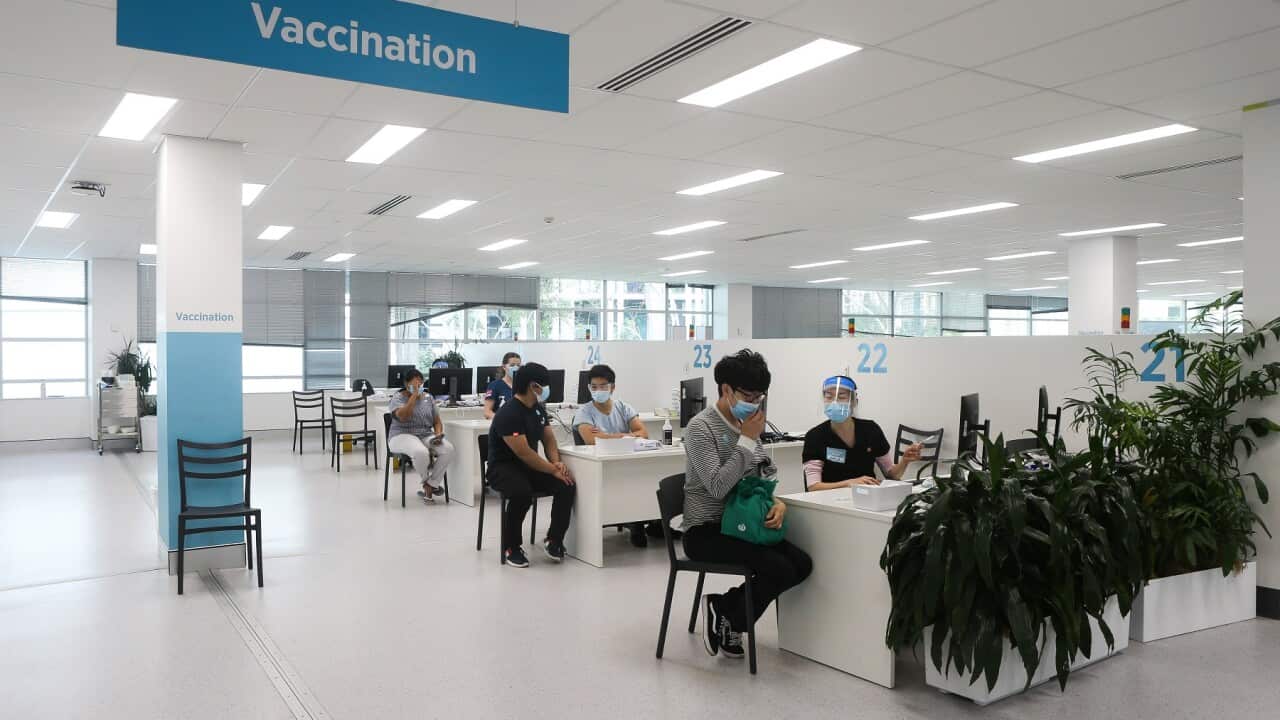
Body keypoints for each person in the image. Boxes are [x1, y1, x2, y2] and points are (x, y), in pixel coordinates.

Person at [681, 349, 812, 659]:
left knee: (801, 565)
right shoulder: (701, 428)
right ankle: (729, 615)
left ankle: (725, 609)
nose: (754, 403)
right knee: (777, 569)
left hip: (745, 526)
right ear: (726, 389)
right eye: (748, 395)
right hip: (707, 530)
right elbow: (716, 487)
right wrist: (747, 440)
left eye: (760, 396)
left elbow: (766, 471)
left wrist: (777, 501)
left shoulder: (750, 424)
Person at [486, 362, 576, 568]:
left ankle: (554, 540)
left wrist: (557, 463)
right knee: (521, 493)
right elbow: (524, 452)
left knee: (566, 485)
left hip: (529, 467)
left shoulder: (537, 408)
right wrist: (552, 469)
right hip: (503, 468)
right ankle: (511, 547)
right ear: (533, 386)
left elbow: (549, 439)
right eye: (544, 385)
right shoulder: (508, 413)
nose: (547, 390)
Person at [572, 364, 656, 548]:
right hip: (598, 468)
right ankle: (635, 523)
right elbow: (591, 441)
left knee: (645, 476)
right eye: (594, 387)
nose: (598, 390)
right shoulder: (584, 412)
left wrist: (607, 436)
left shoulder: (624, 408)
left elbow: (643, 433)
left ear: (613, 387)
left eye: (603, 386)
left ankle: (644, 521)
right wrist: (626, 436)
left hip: (625, 463)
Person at [802, 375, 922, 491]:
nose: (834, 402)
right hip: (828, 502)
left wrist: (904, 461)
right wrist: (849, 483)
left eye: (841, 397)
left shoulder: (871, 430)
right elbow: (813, 487)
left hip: (868, 498)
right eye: (829, 397)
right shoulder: (815, 436)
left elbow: (892, 475)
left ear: (855, 402)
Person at [387, 369, 455, 503]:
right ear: (406, 384)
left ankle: (431, 484)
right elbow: (403, 416)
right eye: (414, 386)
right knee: (420, 452)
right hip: (401, 434)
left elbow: (436, 421)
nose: (418, 388)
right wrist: (413, 396)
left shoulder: (429, 398)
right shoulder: (398, 398)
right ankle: (426, 482)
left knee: (448, 449)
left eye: (420, 385)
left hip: (425, 434)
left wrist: (438, 434)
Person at [483, 352, 521, 420]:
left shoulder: (523, 386)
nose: (516, 368)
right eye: (512, 365)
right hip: (501, 426)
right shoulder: (494, 385)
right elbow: (487, 412)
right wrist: (501, 420)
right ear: (504, 367)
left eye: (518, 365)